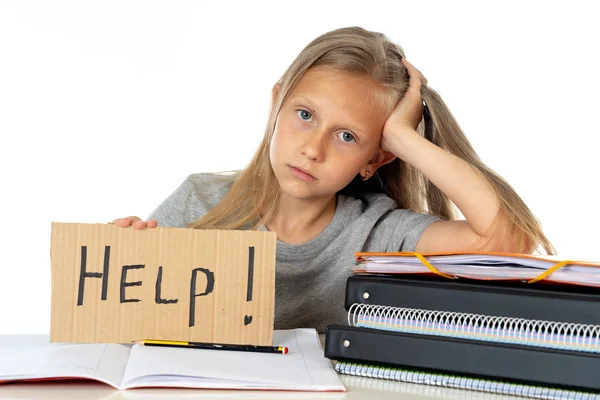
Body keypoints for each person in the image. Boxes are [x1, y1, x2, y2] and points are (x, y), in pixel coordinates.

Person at [112, 26, 554, 333]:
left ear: (375, 159)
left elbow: (505, 239)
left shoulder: (378, 231)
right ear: (276, 107)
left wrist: (404, 137)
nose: (313, 149)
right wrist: (122, 261)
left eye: (346, 136)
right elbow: (122, 326)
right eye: (304, 115)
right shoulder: (200, 202)